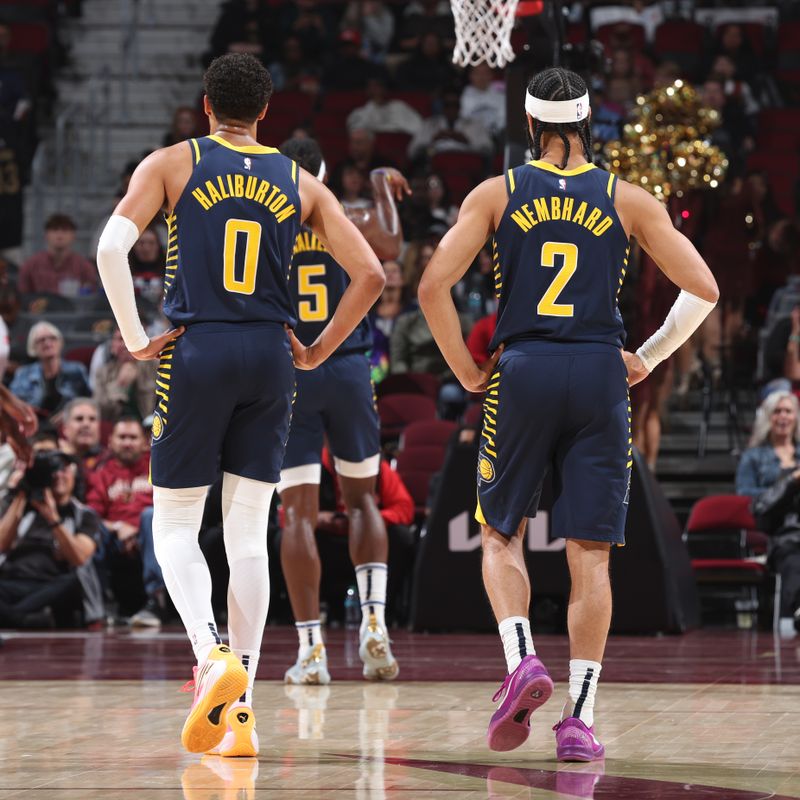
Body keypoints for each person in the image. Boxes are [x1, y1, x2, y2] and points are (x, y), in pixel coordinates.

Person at [418, 66, 718, 761]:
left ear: (529, 126)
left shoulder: (497, 193)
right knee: (591, 556)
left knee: (500, 532)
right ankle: (579, 722)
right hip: (598, 373)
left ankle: (522, 659)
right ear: (589, 126)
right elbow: (702, 287)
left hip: (522, 369)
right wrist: (645, 356)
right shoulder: (628, 198)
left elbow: (434, 284)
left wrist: (467, 370)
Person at [95, 54, 384, 757]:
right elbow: (372, 273)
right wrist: (317, 352)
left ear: (204, 106)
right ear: (265, 113)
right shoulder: (298, 178)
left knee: (175, 526)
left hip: (197, 351)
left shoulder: (173, 162)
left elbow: (110, 247)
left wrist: (136, 340)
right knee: (249, 532)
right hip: (271, 356)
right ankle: (241, 712)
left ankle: (209, 656)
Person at [276, 136, 407, 685]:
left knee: (298, 516)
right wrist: (381, 184)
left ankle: (311, 650)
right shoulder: (342, 216)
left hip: (293, 369)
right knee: (363, 502)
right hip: (349, 367)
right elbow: (392, 248)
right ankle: (373, 622)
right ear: (324, 173)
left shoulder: (267, 224)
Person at [0, 444, 102, 628]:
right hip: (12, 582)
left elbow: (79, 558)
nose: (58, 475)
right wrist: (22, 492)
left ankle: (11, 617)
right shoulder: (23, 507)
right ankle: (22, 619)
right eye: (52, 470)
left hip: (51, 586)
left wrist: (52, 518)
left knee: (72, 582)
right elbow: (1, 545)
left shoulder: (84, 514)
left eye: (63, 468)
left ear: (74, 474)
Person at [736, 391, 800, 631]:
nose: (783, 416)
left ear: (795, 418)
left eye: (788, 411)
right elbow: (747, 498)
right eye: (777, 411)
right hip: (778, 531)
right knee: (793, 555)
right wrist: (791, 482)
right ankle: (793, 614)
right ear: (768, 418)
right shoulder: (754, 457)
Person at [86, 418, 160, 626]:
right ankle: (104, 604)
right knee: (94, 529)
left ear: (145, 442)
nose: (127, 443)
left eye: (133, 438)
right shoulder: (101, 474)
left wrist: (137, 529)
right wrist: (118, 527)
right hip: (115, 538)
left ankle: (156, 601)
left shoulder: (158, 467)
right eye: (122, 437)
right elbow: (92, 515)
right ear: (110, 441)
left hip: (153, 533)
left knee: (149, 516)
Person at [10, 322, 91, 420]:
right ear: (33, 348)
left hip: (68, 424)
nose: (47, 343)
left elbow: (89, 401)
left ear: (60, 343)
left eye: (52, 338)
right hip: (35, 426)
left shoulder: (76, 370)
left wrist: (68, 413)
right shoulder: (23, 374)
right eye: (41, 340)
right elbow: (13, 405)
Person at [17, 214, 97, 296]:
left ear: (73, 235)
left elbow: (91, 298)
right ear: (46, 234)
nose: (59, 235)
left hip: (73, 308)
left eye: (65, 230)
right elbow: (23, 297)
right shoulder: (31, 265)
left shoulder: (84, 267)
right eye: (55, 230)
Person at [58, 397, 104, 475]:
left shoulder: (109, 461)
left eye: (92, 419)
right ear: (65, 429)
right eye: (79, 419)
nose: (86, 424)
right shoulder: (57, 460)